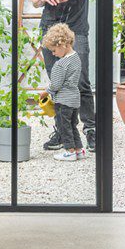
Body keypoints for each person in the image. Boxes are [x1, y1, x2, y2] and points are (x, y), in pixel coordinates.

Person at [24, 0, 96, 151]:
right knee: (57, 83)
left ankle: (91, 130)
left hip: (76, 31)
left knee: (80, 81)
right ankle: (64, 131)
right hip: (50, 30)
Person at [42, 23, 85, 161]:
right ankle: (79, 149)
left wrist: (46, 92)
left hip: (63, 101)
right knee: (73, 125)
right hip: (74, 100)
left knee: (63, 126)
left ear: (62, 44)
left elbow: (55, 85)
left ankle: (70, 151)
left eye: (54, 50)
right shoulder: (76, 58)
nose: (53, 54)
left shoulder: (60, 64)